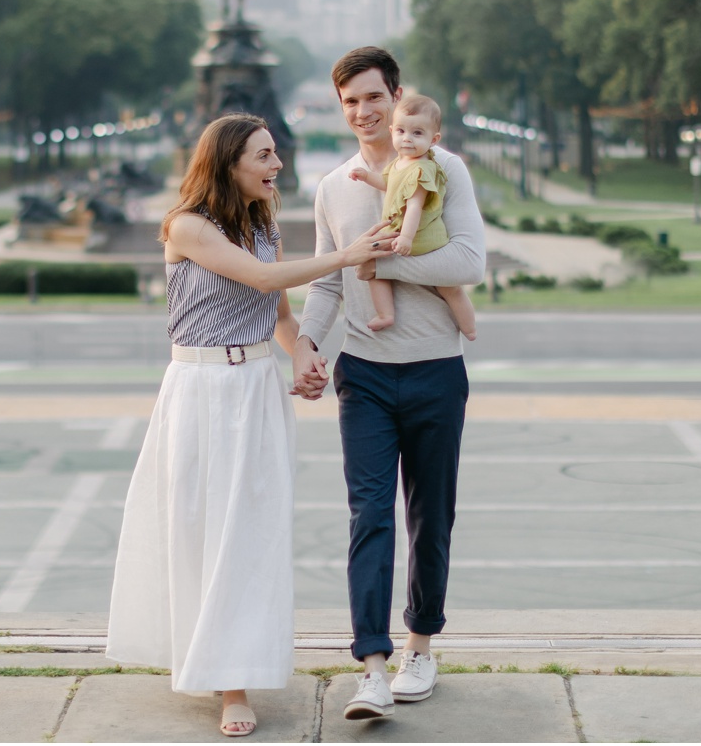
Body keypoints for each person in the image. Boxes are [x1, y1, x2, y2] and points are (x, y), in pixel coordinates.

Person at [106, 113, 392, 738]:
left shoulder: (261, 226)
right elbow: (260, 278)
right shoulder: (186, 226)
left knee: (251, 533)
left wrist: (303, 353)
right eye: (264, 156)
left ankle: (234, 666)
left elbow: (278, 309)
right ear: (228, 162)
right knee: (211, 531)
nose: (276, 164)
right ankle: (228, 684)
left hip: (257, 390)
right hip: (202, 391)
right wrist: (347, 255)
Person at [293, 47, 486, 721]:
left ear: (397, 95)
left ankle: (420, 646)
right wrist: (307, 346)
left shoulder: (443, 167)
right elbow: (326, 283)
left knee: (430, 516)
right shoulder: (332, 185)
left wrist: (379, 263)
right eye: (350, 101)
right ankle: (371, 665)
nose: (364, 112)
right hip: (366, 376)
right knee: (368, 516)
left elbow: (469, 259)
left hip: (436, 369)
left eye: (374, 97)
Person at [347, 92, 479, 340]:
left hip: (419, 236)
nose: (407, 139)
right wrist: (366, 177)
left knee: (450, 288)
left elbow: (415, 206)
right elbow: (389, 185)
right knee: (374, 267)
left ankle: (469, 328)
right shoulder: (399, 164)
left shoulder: (422, 168)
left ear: (434, 139)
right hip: (402, 232)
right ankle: (386, 313)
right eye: (401, 132)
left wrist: (406, 238)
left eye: (417, 133)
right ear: (392, 131)